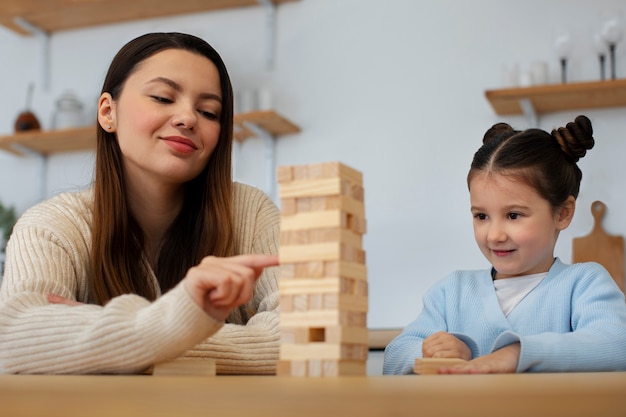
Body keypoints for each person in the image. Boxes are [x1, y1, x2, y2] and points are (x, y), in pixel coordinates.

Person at [0, 32, 282, 375]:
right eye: (163, 97)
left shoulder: (251, 214)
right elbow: (15, 341)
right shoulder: (51, 227)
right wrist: (186, 318)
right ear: (107, 112)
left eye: (209, 111)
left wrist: (101, 341)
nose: (188, 118)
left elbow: (305, 335)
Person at [383, 115, 626, 375]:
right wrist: (429, 352)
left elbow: (617, 343)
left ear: (563, 213)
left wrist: (518, 354)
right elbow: (394, 356)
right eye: (481, 216)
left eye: (513, 215)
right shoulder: (451, 292)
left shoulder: (584, 284)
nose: (494, 235)